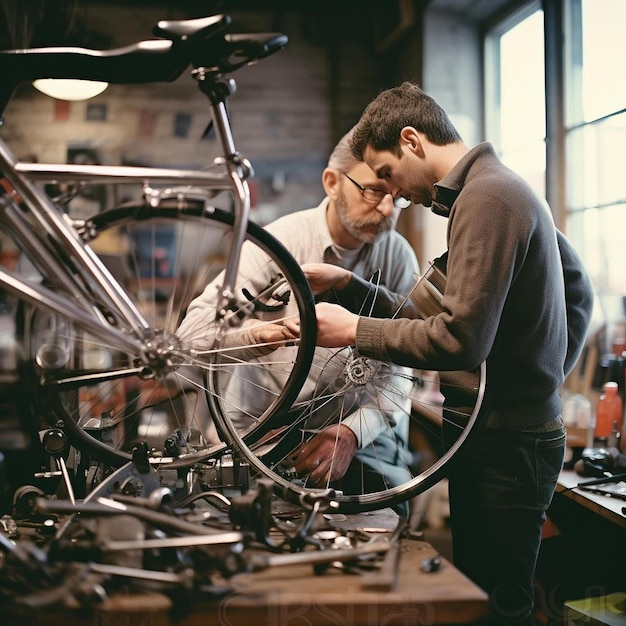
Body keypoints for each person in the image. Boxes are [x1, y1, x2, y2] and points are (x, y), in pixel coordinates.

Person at [304, 82, 593, 625]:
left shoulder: (490, 197)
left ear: (412, 141)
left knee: (497, 607)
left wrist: (353, 331)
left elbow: (458, 340)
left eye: (387, 173)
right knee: (480, 595)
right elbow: (576, 288)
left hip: (509, 440)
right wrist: (348, 285)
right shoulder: (490, 193)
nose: (391, 194)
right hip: (495, 430)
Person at [177, 127, 419, 500]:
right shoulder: (278, 244)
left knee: (388, 504)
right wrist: (256, 336)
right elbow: (190, 336)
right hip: (263, 424)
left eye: (397, 197)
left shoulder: (397, 256)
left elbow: (405, 364)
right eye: (373, 191)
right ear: (332, 182)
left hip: (354, 428)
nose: (387, 209)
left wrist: (353, 432)